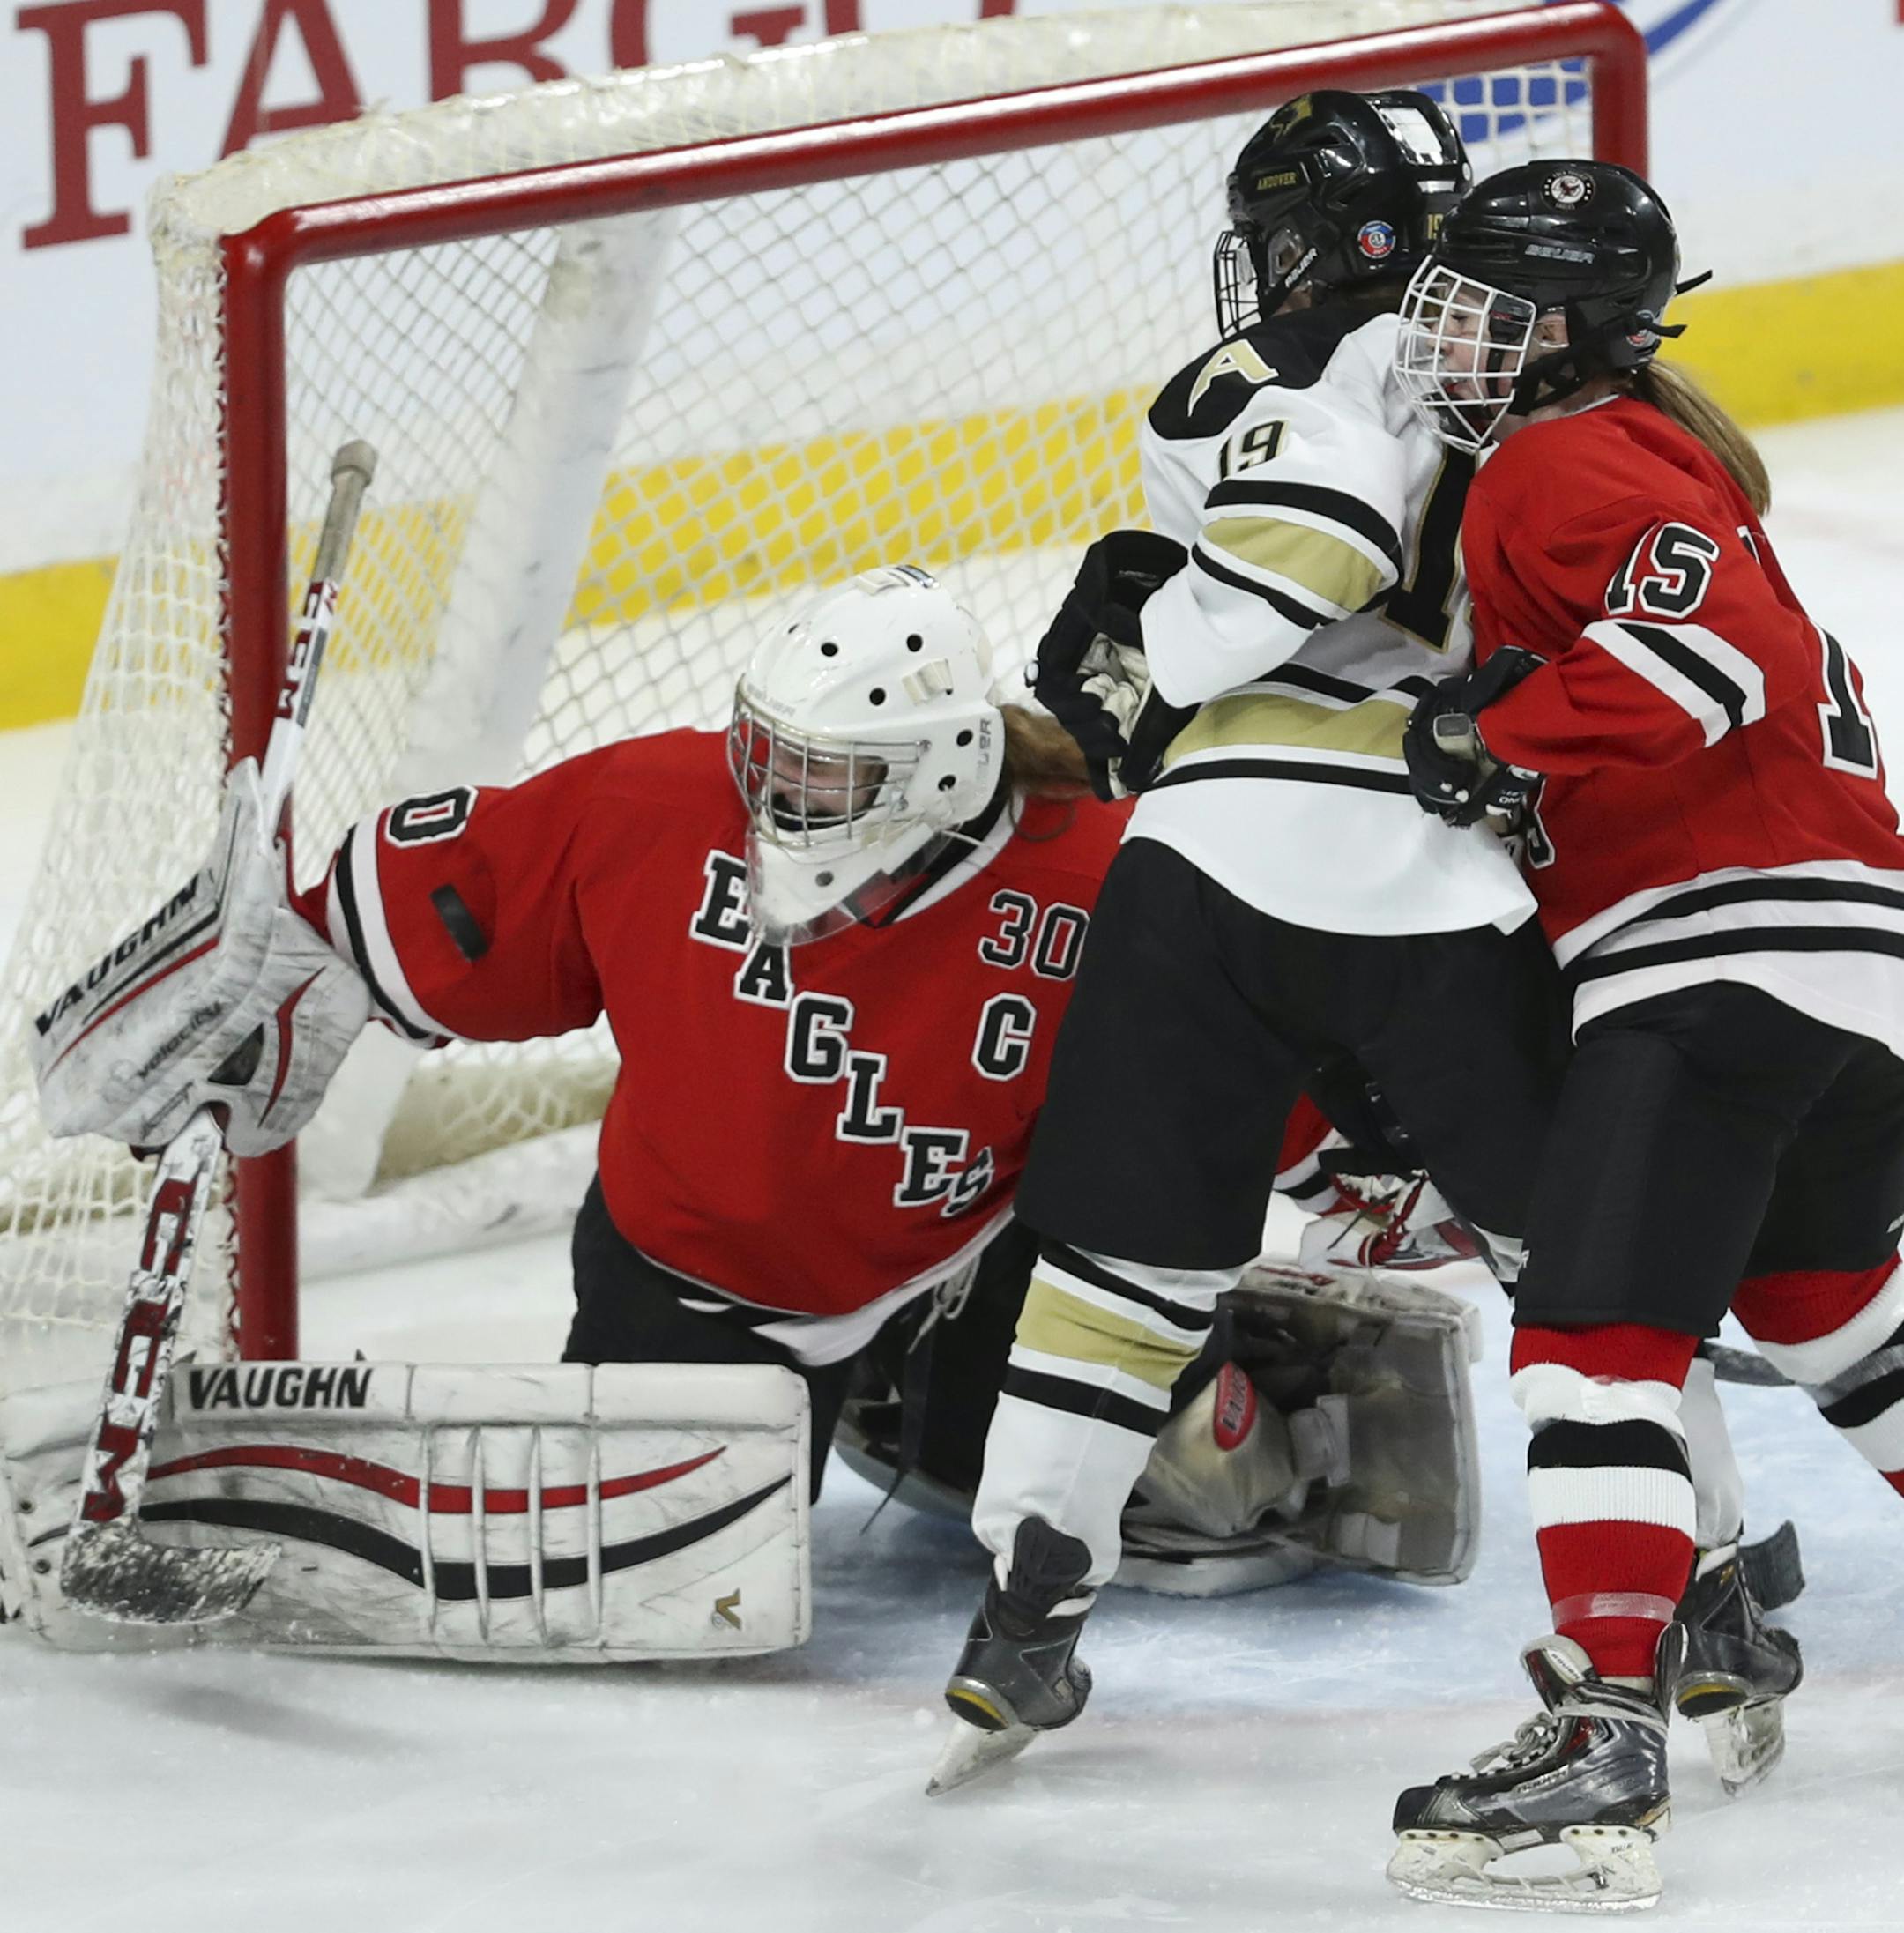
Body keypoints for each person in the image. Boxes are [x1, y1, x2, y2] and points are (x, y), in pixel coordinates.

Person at [928, 90, 1586, 1795]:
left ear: (1300, 234)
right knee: (1583, 1272)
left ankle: (1025, 1612)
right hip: (1428, 872)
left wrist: (1158, 633)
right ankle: (1708, 1580)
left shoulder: (1229, 387)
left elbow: (1272, 577)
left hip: (1201, 868)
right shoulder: (1512, 373)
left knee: (1115, 1265)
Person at [1385, 160, 1901, 1912]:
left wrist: (1508, 722)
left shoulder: (1556, 456)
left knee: (1592, 1336)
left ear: (1570, 332)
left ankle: (1610, 1716)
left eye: (1480, 305)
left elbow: (1725, 651)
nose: (1446, 335)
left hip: (1722, 952)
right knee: (1826, 1301)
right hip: (1844, 956)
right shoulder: (1647, 458)